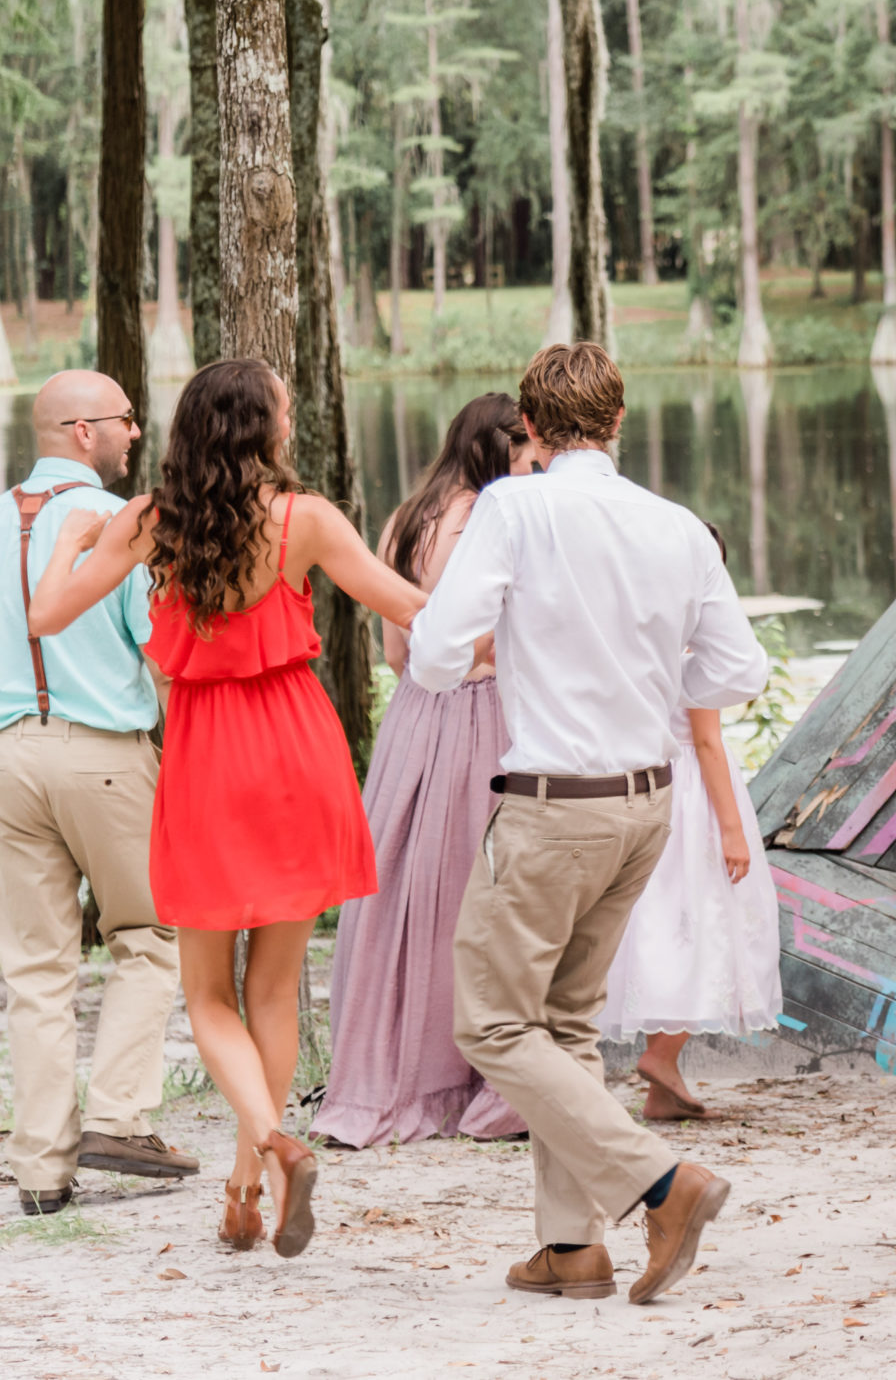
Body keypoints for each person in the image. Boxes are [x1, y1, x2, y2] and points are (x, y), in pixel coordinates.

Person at [30, 358, 427, 1257]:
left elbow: (49, 614)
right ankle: (251, 1176)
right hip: (298, 749)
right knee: (276, 988)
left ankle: (275, 1154)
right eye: (284, 410)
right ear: (265, 430)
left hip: (208, 759)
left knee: (208, 993)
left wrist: (67, 543)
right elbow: (413, 610)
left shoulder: (148, 521)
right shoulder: (309, 521)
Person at [408, 342, 767, 1306]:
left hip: (554, 804)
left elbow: (436, 654)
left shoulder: (513, 509)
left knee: (489, 1021)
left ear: (530, 427)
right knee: (564, 1022)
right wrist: (647, 685)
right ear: (617, 420)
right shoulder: (677, 524)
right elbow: (739, 673)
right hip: (644, 801)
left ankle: (659, 1181)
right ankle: (572, 1250)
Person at [0, 371, 198, 1216]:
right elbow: (157, 646)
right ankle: (118, 1116)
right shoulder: (126, 525)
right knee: (150, 936)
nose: (132, 432)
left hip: (8, 755)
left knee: (35, 969)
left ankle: (41, 1169)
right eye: (122, 421)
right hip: (106, 753)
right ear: (84, 431)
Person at [315, 394, 536, 1148]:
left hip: (414, 717)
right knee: (479, 892)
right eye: (524, 448)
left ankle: (384, 1065)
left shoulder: (406, 516)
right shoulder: (489, 521)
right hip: (483, 716)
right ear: (495, 450)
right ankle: (478, 1076)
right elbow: (485, 640)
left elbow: (395, 653)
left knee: (405, 892)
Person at [596, 696, 782, 1113]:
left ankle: (663, 1092)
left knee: (657, 925)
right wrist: (732, 830)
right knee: (714, 923)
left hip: (643, 786)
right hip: (694, 796)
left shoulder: (636, 640)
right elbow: (707, 742)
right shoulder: (697, 655)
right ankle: (660, 1057)